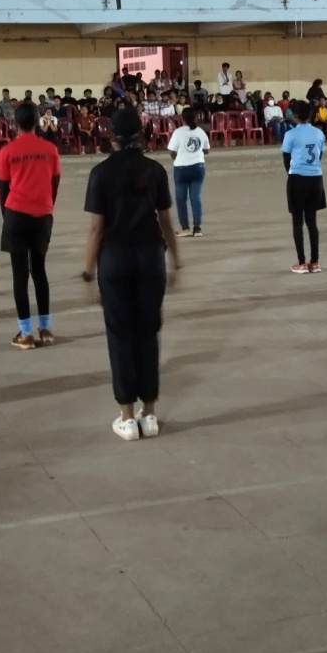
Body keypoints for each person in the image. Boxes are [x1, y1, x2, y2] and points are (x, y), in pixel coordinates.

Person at [81, 107, 182, 441]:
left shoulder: (101, 173)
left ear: (111, 136)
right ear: (141, 135)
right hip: (150, 257)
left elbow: (96, 229)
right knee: (148, 333)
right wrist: (176, 262)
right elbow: (166, 221)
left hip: (115, 260)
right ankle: (149, 414)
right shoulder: (155, 170)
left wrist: (87, 273)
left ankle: (126, 418)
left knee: (120, 335)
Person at [0, 103, 62, 349]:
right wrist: (47, 206)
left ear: (15, 123)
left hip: (16, 214)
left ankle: (25, 333)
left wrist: (8, 217)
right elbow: (55, 181)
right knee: (39, 270)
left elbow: (3, 188)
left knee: (20, 274)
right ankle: (45, 329)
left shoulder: (8, 151)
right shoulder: (50, 149)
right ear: (37, 121)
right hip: (43, 215)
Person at [281, 100, 326, 274]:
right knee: (312, 221)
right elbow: (319, 156)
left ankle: (301, 262)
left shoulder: (291, 134)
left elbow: (286, 160)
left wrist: (293, 174)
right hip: (316, 179)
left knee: (297, 221)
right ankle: (315, 261)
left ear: (295, 115)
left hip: (298, 178)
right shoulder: (318, 133)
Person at [166, 107, 210, 238]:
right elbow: (206, 150)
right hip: (198, 167)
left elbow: (172, 151)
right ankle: (197, 228)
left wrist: (179, 158)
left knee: (181, 199)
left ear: (182, 118)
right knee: (195, 198)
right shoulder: (200, 132)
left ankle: (185, 227)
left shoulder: (178, 132)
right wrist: (195, 155)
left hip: (181, 168)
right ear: (195, 118)